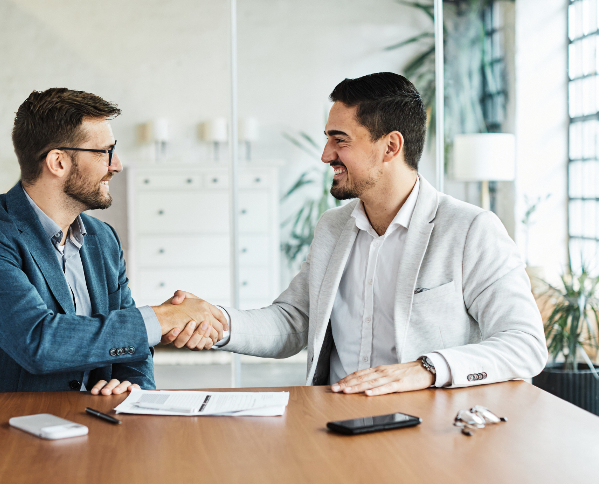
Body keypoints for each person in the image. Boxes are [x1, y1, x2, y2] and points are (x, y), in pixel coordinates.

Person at [173, 72, 548, 395]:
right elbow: (293, 320)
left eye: (340, 140)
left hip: (426, 433)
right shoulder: (333, 227)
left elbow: (525, 345)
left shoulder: (470, 229)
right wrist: (217, 320)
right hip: (334, 423)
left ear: (390, 146)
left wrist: (426, 369)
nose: (325, 155)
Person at [0, 88, 224, 413]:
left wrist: (132, 388)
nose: (116, 165)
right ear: (58, 161)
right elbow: (39, 342)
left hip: (90, 426)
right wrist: (162, 318)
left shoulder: (103, 239)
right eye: (105, 151)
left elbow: (134, 350)